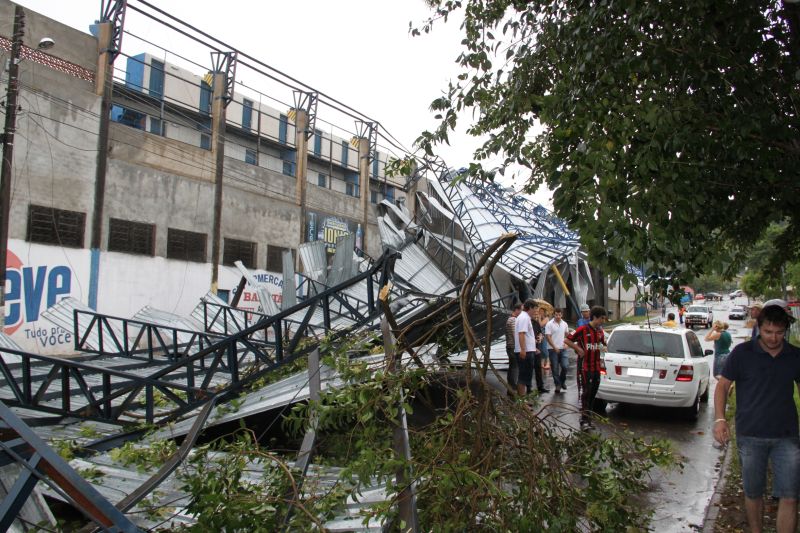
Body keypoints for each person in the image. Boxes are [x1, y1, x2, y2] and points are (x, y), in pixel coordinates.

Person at [714, 305, 800, 533]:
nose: (773, 338)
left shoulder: (795, 355)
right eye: (768, 332)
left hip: (787, 437)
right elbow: (723, 386)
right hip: (750, 435)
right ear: (759, 328)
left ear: (785, 330)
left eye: (779, 332)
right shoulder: (742, 353)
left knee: (790, 495)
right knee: (753, 493)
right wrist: (720, 420)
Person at [564, 306, 608, 428]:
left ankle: (588, 419)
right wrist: (578, 348)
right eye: (602, 318)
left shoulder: (600, 331)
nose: (603, 321)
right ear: (595, 317)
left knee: (593, 394)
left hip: (596, 367)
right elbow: (567, 340)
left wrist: (604, 347)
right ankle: (583, 420)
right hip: (585, 367)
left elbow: (603, 344)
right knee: (586, 393)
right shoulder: (582, 329)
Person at [514, 299, 539, 397]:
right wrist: (523, 350)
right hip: (525, 351)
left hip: (528, 350)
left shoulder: (525, 317)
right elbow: (521, 334)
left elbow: (527, 336)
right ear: (530, 308)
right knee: (523, 376)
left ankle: (523, 399)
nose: (536, 311)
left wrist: (533, 348)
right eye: (535, 309)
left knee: (525, 376)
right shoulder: (524, 318)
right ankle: (522, 400)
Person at [545, 308, 570, 393]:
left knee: (565, 366)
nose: (558, 316)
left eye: (559, 315)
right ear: (554, 314)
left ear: (562, 315)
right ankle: (558, 385)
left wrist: (567, 344)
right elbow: (548, 337)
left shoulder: (565, 324)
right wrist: (554, 347)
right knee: (555, 368)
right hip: (552, 349)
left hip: (563, 348)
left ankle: (562, 381)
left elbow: (567, 335)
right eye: (556, 315)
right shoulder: (549, 324)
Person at [505, 303, 522, 395]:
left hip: (510, 346)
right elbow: (515, 334)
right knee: (515, 367)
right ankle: (513, 386)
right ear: (517, 310)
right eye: (521, 310)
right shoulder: (513, 320)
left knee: (512, 367)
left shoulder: (510, 319)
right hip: (513, 347)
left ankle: (510, 387)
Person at [531, 306, 549, 393]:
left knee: (538, 368)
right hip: (530, 348)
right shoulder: (528, 322)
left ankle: (540, 387)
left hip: (537, 346)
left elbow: (540, 332)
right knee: (530, 368)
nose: (537, 314)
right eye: (535, 313)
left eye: (538, 312)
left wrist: (540, 336)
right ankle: (529, 388)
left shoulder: (537, 322)